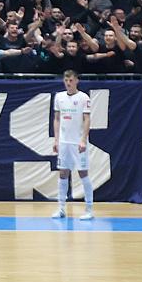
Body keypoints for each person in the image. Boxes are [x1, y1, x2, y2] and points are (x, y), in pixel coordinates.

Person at [51, 69, 94, 221]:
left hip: (78, 142)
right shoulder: (59, 97)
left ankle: (89, 209)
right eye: (66, 80)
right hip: (64, 142)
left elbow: (87, 119)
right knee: (63, 173)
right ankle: (61, 208)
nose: (68, 83)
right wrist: (56, 140)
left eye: (71, 80)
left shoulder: (83, 98)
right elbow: (57, 119)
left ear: (76, 81)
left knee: (83, 173)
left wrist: (83, 139)